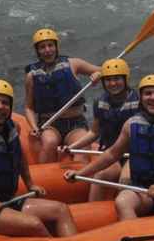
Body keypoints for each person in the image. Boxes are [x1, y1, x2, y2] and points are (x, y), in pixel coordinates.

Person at [0, 79, 78, 237]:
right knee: (34, 224)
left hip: (7, 199)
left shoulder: (12, 127)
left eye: (4, 103)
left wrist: (30, 184)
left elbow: (19, 155)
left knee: (61, 210)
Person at [64, 74, 154, 220]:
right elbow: (111, 154)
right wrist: (82, 174)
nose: (153, 97)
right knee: (122, 201)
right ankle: (136, 239)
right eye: (147, 93)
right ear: (140, 98)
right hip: (141, 188)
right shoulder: (131, 124)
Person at [60, 58, 139, 201]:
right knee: (101, 175)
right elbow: (94, 132)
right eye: (108, 80)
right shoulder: (101, 102)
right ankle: (93, 209)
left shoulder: (140, 102)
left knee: (125, 181)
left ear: (125, 79)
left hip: (134, 154)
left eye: (117, 79)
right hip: (111, 153)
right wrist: (71, 147)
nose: (113, 83)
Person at [24, 28, 101, 163]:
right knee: (49, 142)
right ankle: (45, 179)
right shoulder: (32, 76)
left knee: (81, 145)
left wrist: (97, 75)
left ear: (56, 47)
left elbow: (105, 70)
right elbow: (29, 107)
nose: (47, 50)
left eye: (50, 45)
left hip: (76, 123)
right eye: (42, 47)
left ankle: (79, 178)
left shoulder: (73, 64)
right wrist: (34, 128)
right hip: (50, 124)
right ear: (37, 51)